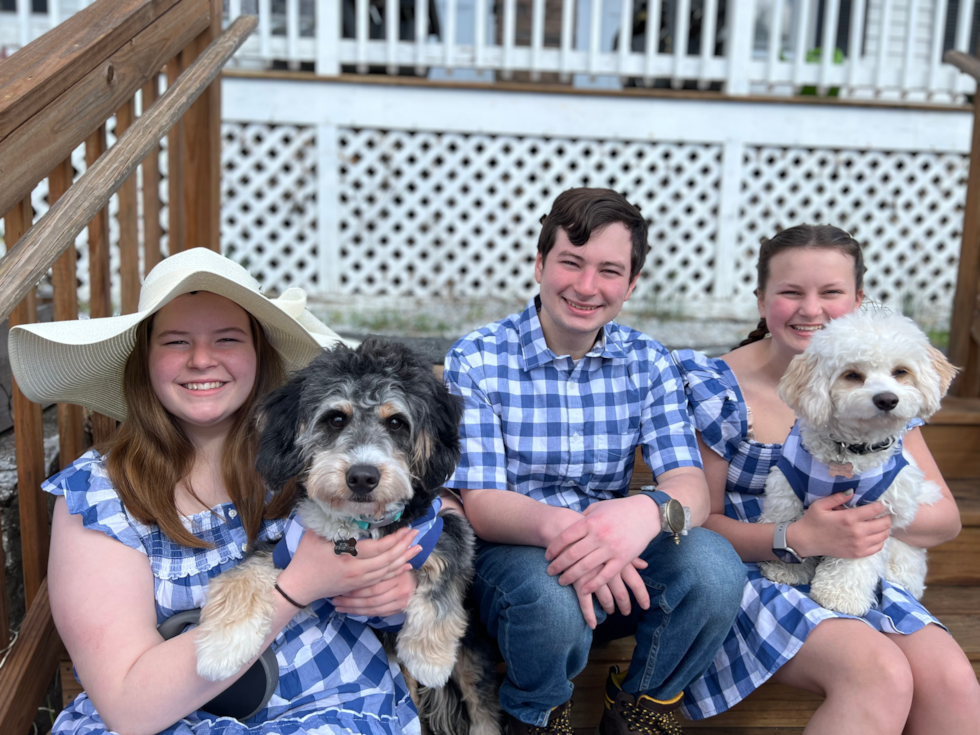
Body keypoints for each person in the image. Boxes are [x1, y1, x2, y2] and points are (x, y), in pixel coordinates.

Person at [11, 248, 431, 735]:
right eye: (176, 342)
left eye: (227, 339)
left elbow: (427, 509)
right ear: (144, 360)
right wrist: (296, 587)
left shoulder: (316, 455)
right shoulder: (100, 495)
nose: (201, 360)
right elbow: (128, 708)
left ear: (258, 353)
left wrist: (404, 591)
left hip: (332, 707)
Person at [442, 188, 746, 735]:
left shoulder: (647, 361)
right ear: (540, 265)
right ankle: (537, 715)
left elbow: (691, 488)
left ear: (631, 285)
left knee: (715, 567)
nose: (586, 286)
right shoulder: (478, 357)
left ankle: (641, 709)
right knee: (549, 599)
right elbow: (483, 504)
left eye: (609, 271)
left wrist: (644, 515)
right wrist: (587, 537)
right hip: (516, 566)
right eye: (571, 262)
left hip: (622, 566)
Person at [672, 225, 980, 734]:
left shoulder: (884, 397)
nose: (810, 309)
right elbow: (699, 525)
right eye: (791, 292)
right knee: (879, 675)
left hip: (856, 563)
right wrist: (799, 536)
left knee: (954, 681)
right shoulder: (716, 388)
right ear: (761, 299)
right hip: (748, 574)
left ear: (858, 300)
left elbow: (945, 520)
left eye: (831, 292)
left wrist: (859, 523)